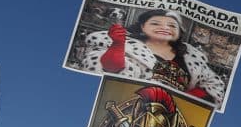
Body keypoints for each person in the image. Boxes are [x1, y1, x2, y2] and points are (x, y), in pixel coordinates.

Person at [82, 9, 226, 106]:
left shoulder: (192, 57)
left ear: (179, 33)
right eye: (155, 23)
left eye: (172, 25)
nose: (165, 28)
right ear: (142, 27)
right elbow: (107, 69)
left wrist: (188, 99)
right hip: (130, 106)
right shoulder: (126, 45)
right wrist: (117, 46)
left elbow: (213, 85)